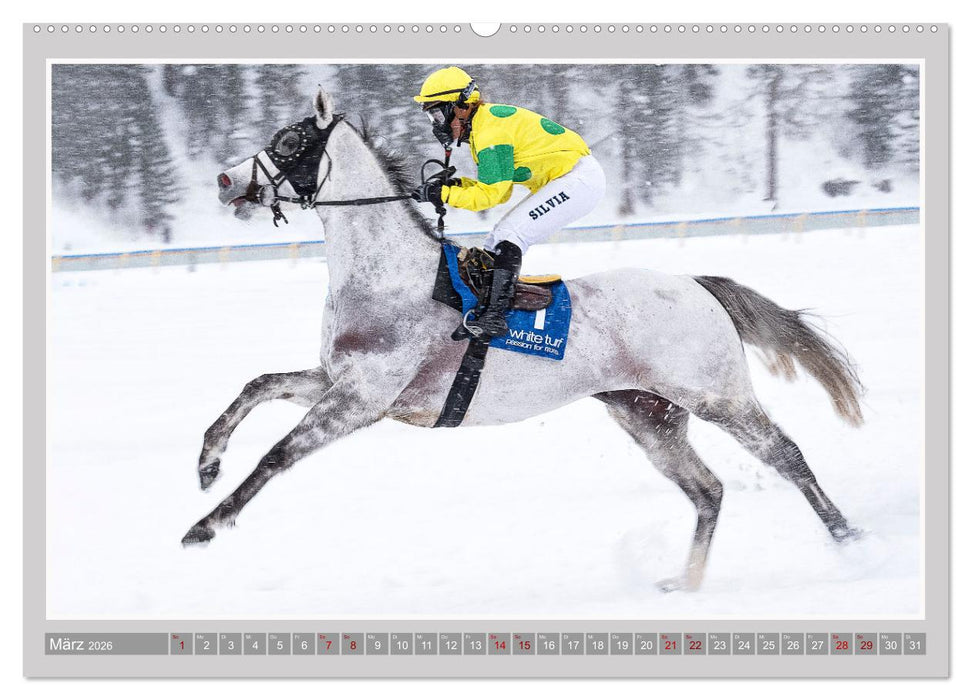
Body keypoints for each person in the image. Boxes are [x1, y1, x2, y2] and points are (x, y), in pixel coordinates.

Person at [411, 66, 607, 339]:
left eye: (436, 113)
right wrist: (456, 186)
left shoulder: (490, 132)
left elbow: (490, 196)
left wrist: (442, 194)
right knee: (495, 242)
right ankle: (490, 310)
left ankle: (495, 317)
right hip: (571, 178)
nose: (435, 124)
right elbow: (494, 190)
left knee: (510, 237)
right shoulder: (484, 126)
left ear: (460, 106)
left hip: (579, 180)